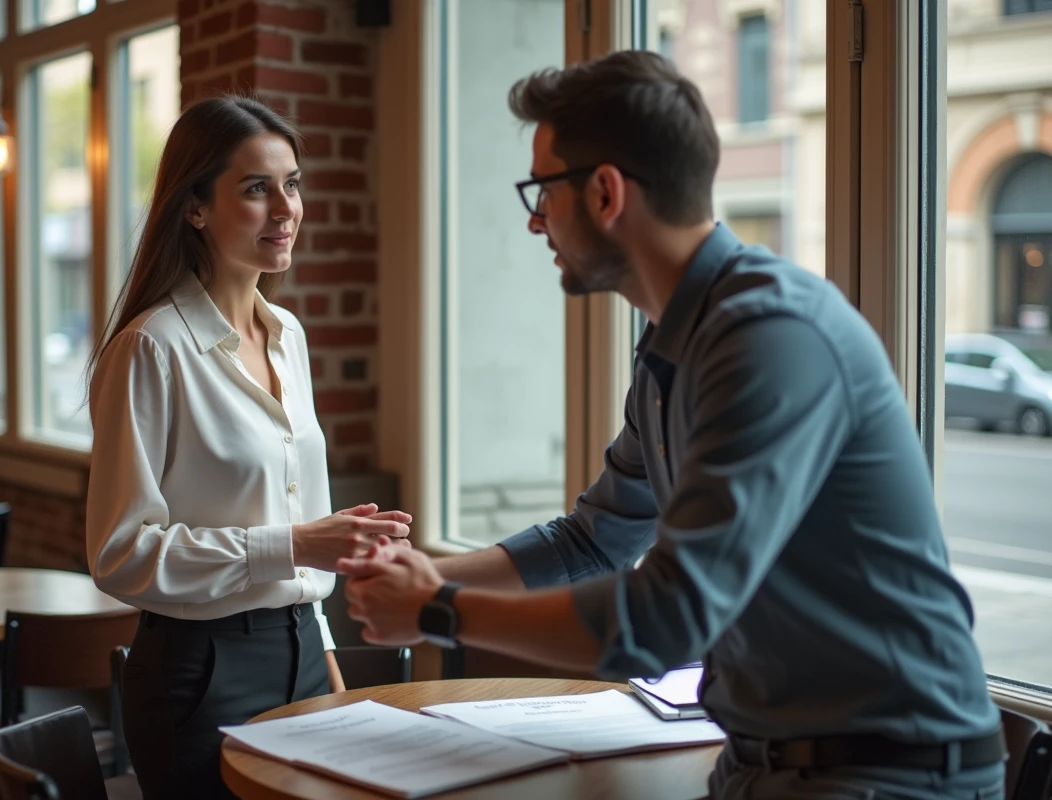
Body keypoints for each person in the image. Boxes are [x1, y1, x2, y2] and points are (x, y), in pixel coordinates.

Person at [340, 51, 1006, 799]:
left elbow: (667, 617)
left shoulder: (768, 334)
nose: (534, 220)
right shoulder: (674, 344)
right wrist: (419, 578)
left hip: (891, 775)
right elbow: (593, 542)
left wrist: (437, 609)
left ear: (605, 192)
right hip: (761, 763)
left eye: (542, 191)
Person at [85, 96, 411, 800]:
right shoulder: (151, 349)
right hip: (199, 674)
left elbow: (301, 541)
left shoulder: (289, 336)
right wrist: (294, 545)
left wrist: (324, 661)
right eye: (257, 188)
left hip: (301, 651)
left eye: (292, 184)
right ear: (195, 207)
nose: (286, 209)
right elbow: (120, 554)